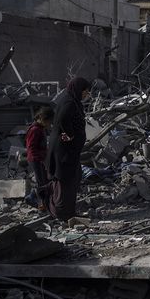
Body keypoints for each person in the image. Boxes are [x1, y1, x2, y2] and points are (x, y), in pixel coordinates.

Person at [47, 77, 91, 221]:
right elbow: (63, 117)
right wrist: (71, 134)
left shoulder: (72, 100)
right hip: (64, 151)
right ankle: (60, 213)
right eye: (85, 91)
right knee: (65, 181)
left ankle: (68, 213)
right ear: (78, 89)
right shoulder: (68, 102)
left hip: (69, 151)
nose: (86, 94)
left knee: (73, 178)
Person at [24, 106, 54, 210]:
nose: (49, 124)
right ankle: (37, 201)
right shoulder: (35, 130)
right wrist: (40, 160)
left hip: (39, 158)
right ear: (42, 118)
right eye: (48, 122)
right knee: (42, 182)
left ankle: (37, 200)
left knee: (43, 181)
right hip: (36, 160)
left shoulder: (40, 129)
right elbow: (31, 147)